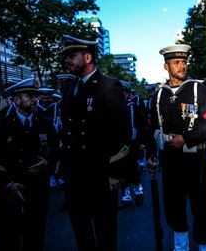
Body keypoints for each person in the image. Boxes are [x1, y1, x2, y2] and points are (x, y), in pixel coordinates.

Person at [58, 35, 132, 251]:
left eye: (72, 56)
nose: (67, 61)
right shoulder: (71, 89)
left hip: (100, 175)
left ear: (88, 57)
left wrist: (115, 172)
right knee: (81, 233)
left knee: (105, 232)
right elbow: (67, 132)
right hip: (75, 176)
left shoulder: (109, 87)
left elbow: (123, 134)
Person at [147, 44, 206, 251]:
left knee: (202, 207)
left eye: (184, 62)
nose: (182, 66)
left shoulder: (199, 89)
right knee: (174, 206)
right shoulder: (158, 95)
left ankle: (205, 246)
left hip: (196, 160)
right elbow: (150, 128)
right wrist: (151, 155)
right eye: (176, 62)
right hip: (170, 161)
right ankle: (181, 246)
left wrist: (186, 139)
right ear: (166, 66)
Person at [0, 78, 57, 251]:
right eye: (30, 96)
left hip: (37, 192)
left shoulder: (45, 122)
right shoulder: (0, 124)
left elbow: (56, 147)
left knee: (35, 237)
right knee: (8, 239)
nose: (35, 99)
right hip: (9, 192)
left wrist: (48, 160)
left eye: (36, 96)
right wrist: (7, 183)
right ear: (17, 100)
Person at [119, 80, 145, 208]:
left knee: (133, 169)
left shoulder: (133, 106)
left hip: (132, 143)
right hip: (118, 145)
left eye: (123, 92)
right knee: (121, 171)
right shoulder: (113, 108)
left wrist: (140, 142)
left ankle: (139, 192)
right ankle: (126, 196)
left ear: (128, 94)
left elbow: (139, 125)